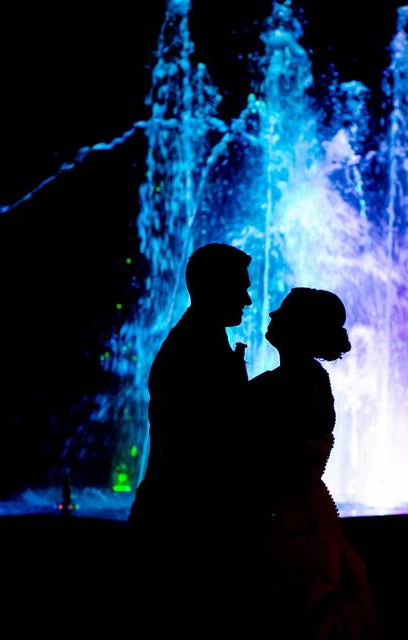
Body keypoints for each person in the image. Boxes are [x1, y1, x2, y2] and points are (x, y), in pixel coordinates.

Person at [128, 242, 257, 635]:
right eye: (241, 288)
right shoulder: (193, 350)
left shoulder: (200, 341)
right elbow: (211, 441)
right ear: (215, 288)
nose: (250, 300)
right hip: (185, 528)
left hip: (182, 519)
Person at [248, 288, 377, 639]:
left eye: (283, 312)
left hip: (290, 522)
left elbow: (287, 457)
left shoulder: (292, 385)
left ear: (300, 328)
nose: (272, 315)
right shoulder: (298, 381)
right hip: (299, 513)